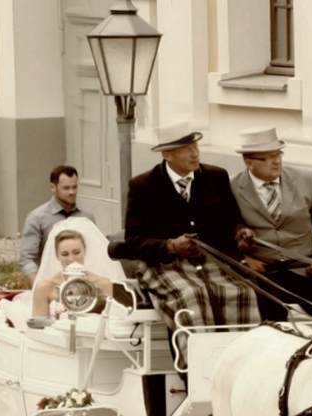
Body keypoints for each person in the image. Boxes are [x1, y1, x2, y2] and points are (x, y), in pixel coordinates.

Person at [109, 126, 258, 345]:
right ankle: (194, 369)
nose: (195, 153)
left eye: (195, 146)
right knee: (192, 298)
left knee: (243, 293)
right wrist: (170, 246)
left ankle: (238, 361)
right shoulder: (143, 185)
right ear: (166, 154)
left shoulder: (216, 177)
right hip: (164, 264)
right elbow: (134, 241)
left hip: (211, 262)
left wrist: (240, 232)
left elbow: (232, 220)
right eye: (186, 149)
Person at [231, 127, 312, 322]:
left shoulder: (307, 179)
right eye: (267, 157)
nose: (276, 161)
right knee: (270, 315)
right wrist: (244, 260)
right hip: (264, 271)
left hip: (305, 267)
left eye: (278, 154)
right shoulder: (232, 187)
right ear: (248, 161)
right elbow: (225, 231)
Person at [32, 219, 125, 317]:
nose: (71, 259)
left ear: (84, 251)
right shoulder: (44, 287)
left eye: (76, 252)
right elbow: (39, 326)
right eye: (64, 254)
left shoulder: (103, 283)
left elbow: (117, 321)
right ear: (57, 255)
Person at [19, 165, 95, 284]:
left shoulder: (87, 217)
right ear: (53, 188)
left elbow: (93, 254)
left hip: (83, 286)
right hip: (49, 283)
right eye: (66, 188)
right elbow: (27, 258)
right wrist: (39, 287)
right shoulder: (37, 218)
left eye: (75, 187)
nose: (72, 192)